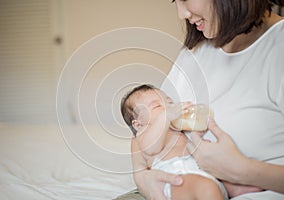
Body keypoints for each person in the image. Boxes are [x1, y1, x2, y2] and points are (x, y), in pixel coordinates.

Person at [114, 0, 284, 199]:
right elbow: (145, 126)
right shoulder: (197, 50)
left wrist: (241, 170)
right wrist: (141, 176)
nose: (181, 13)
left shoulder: (277, 49)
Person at [120, 84, 228, 200]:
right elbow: (151, 149)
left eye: (169, 103)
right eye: (157, 106)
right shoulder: (142, 136)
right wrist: (165, 117)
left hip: (205, 171)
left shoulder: (178, 127)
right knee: (206, 188)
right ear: (138, 124)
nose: (167, 108)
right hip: (176, 178)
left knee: (233, 183)